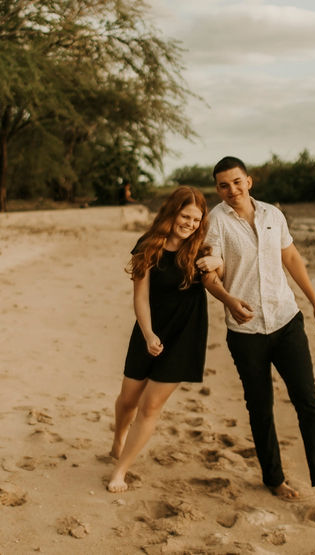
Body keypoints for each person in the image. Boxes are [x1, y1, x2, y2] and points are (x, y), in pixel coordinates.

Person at [201, 156, 315, 512]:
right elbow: (210, 272)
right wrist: (228, 299)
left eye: (237, 182)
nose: (231, 190)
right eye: (223, 185)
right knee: (260, 406)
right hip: (245, 329)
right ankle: (274, 478)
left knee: (308, 401)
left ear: (249, 181)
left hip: (286, 320)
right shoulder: (216, 223)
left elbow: (292, 258)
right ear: (217, 189)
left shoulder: (273, 215)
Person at [107, 186, 221, 492]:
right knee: (128, 399)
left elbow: (218, 277)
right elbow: (140, 297)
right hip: (149, 329)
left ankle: (121, 470)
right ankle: (118, 437)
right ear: (171, 212)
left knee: (150, 407)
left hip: (185, 336)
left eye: (196, 220)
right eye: (185, 216)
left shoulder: (201, 251)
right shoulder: (148, 246)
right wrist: (148, 334)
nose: (190, 224)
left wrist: (218, 262)